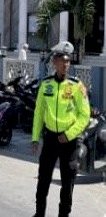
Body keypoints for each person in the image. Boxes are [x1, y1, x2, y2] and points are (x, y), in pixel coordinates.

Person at [31, 41, 90, 217]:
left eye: (67, 61)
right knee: (43, 179)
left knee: (68, 182)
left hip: (70, 141)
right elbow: (39, 113)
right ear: (54, 63)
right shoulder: (46, 84)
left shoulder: (76, 86)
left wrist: (69, 134)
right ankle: (39, 213)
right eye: (61, 61)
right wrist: (35, 138)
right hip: (50, 139)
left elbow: (84, 115)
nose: (65, 64)